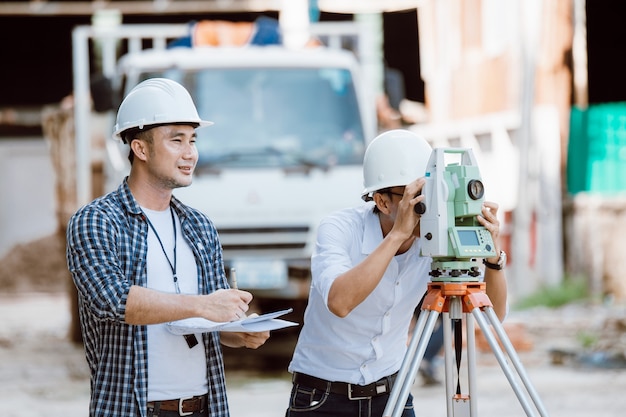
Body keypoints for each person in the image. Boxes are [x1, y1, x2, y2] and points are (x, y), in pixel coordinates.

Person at [66, 78, 270, 417]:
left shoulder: (199, 226)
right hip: (133, 408)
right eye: (176, 140)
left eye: (192, 139)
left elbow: (212, 323)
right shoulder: (96, 221)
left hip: (204, 406)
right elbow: (112, 300)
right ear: (140, 149)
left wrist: (239, 332)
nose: (190, 152)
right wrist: (204, 305)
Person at [285, 129, 508, 417]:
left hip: (393, 393)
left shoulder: (435, 240)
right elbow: (339, 302)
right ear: (382, 201)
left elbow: (496, 316)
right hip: (323, 397)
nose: (432, 208)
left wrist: (493, 256)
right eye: (416, 196)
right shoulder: (339, 229)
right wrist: (396, 237)